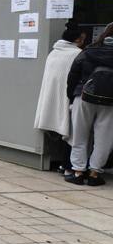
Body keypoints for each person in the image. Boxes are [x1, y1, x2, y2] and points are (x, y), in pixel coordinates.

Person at [34, 23, 88, 172]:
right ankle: (68, 166)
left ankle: (62, 164)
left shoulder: (54, 52)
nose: (83, 42)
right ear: (77, 40)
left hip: (52, 100)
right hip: (69, 99)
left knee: (63, 130)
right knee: (71, 133)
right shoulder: (77, 54)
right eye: (82, 39)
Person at [65, 21, 113, 186]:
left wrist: (71, 95)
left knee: (79, 135)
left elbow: (72, 75)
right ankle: (94, 174)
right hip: (110, 102)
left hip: (83, 96)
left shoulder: (88, 51)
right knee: (104, 138)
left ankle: (78, 172)